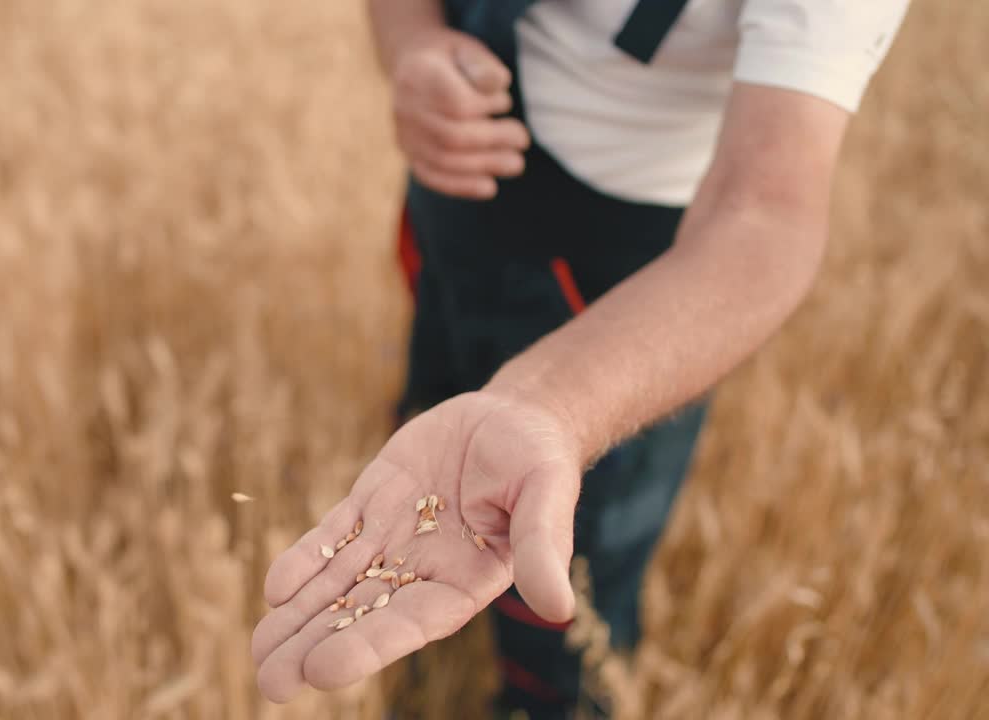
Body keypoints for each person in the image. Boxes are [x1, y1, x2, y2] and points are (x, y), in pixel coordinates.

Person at [252, 0, 910, 716]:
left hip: (634, 298)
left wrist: (553, 404)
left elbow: (765, 215)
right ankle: (433, 660)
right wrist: (412, 42)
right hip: (456, 211)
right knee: (427, 416)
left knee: (571, 580)